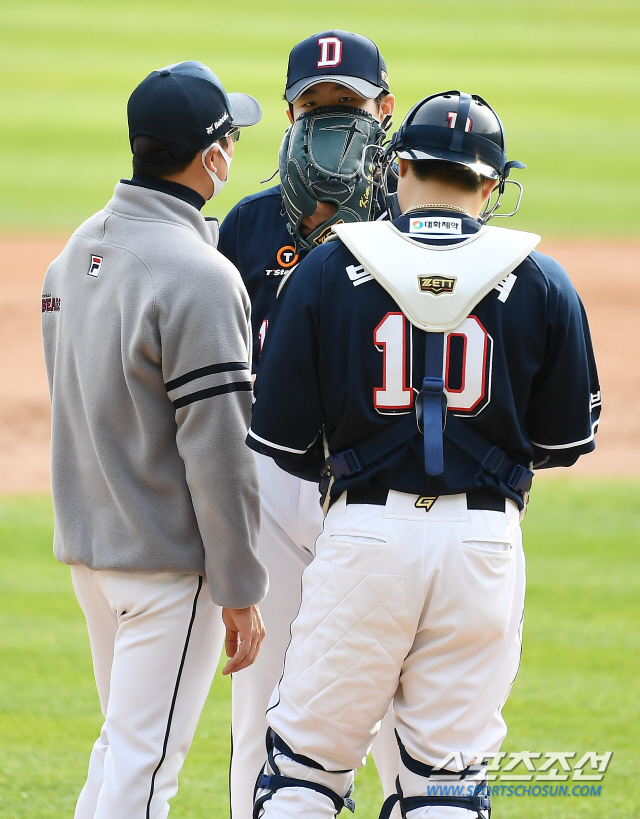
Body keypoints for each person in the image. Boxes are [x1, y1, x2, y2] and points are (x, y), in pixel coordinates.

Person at [246, 90, 601, 819]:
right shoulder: (541, 279)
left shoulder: (325, 269)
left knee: (305, 771)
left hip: (364, 536)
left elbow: (282, 439)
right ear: (492, 184)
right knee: (446, 779)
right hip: (485, 546)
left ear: (398, 164)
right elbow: (562, 440)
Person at [41, 61, 268, 819]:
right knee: (145, 774)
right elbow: (221, 452)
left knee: (121, 750)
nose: (234, 149)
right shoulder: (200, 275)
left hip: (93, 556)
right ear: (210, 158)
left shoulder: (72, 253)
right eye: (229, 137)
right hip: (168, 569)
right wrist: (240, 589)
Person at [217, 31, 400, 818]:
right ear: (289, 113)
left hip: (386, 498)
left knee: (404, 718)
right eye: (314, 107)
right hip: (275, 492)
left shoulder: (418, 221)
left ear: (384, 110)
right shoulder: (248, 228)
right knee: (260, 713)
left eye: (349, 107)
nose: (330, 125)